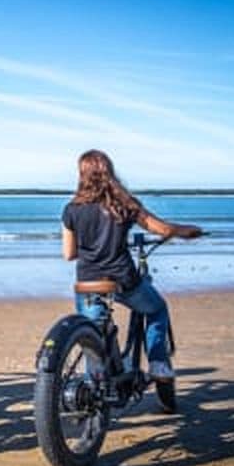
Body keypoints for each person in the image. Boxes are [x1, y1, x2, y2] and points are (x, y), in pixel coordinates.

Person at [61, 149, 203, 380]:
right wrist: (184, 231)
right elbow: (162, 229)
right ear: (110, 172)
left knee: (93, 339)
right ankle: (158, 363)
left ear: (82, 175)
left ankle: (94, 390)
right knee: (157, 309)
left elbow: (69, 254)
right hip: (123, 280)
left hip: (88, 282)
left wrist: (91, 245)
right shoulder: (125, 204)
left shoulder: (71, 209)